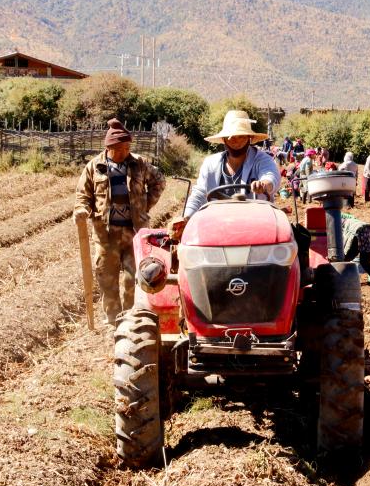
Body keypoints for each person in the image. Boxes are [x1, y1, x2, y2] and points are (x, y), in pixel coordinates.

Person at [74, 118, 166, 326]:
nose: (124, 151)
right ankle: (113, 319)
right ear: (109, 147)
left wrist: (145, 206)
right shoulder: (94, 167)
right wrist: (82, 210)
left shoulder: (139, 163)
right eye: (119, 148)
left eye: (127, 147)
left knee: (134, 277)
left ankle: (131, 317)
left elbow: (159, 181)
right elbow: (83, 195)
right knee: (107, 279)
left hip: (135, 233)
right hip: (106, 235)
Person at [182, 110, 280, 220]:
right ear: (224, 139)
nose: (236, 142)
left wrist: (263, 185)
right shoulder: (210, 164)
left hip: (257, 222)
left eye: (241, 137)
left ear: (249, 138)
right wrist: (186, 217)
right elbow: (199, 194)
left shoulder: (263, 160)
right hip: (218, 223)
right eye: (231, 137)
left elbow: (271, 177)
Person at [342, 213, 370, 286]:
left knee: (345, 260)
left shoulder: (342, 225)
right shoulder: (352, 221)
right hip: (369, 233)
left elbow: (345, 241)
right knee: (365, 262)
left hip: (358, 233)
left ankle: (344, 281)